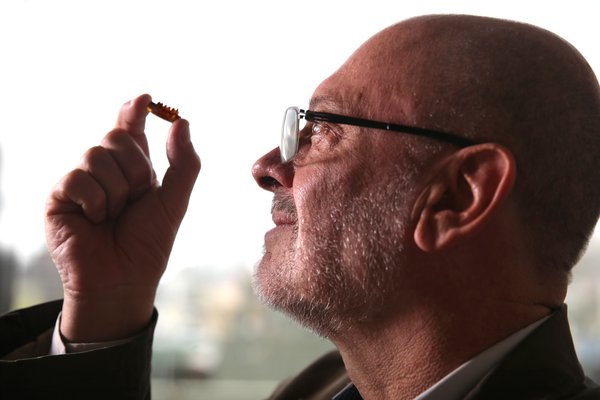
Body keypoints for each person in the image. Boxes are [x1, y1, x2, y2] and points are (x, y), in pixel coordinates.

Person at [1, 13, 599, 399]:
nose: (266, 167)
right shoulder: (311, 392)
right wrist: (107, 309)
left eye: (323, 129)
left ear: (458, 197)